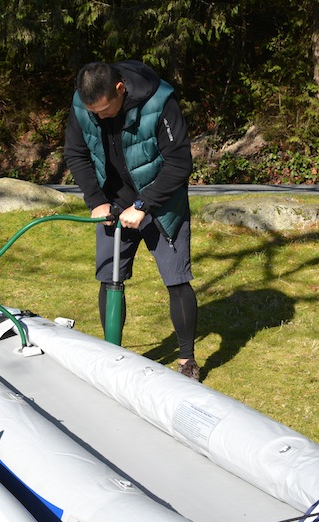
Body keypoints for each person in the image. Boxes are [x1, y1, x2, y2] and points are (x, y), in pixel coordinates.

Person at [64, 60, 200, 380]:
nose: (98, 116)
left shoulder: (160, 102)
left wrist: (143, 204)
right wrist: (96, 201)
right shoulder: (83, 104)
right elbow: (76, 153)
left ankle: (187, 360)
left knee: (176, 279)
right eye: (92, 111)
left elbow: (179, 163)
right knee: (110, 278)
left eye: (104, 109)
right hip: (113, 204)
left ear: (120, 89)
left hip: (161, 201)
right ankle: (114, 356)